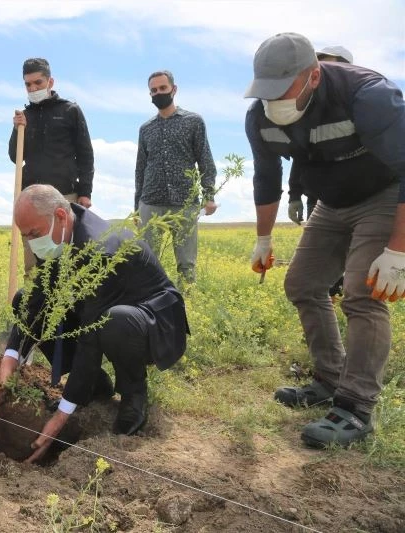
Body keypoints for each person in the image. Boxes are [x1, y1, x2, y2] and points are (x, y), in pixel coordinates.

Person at [245, 32, 405, 447]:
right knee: (302, 284)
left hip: (384, 195)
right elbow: (266, 177)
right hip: (331, 203)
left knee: (362, 292)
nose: (272, 100)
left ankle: (354, 407)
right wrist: (263, 240)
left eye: (283, 89)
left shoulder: (368, 96)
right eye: (265, 91)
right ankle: (328, 379)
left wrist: (397, 251)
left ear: (313, 77)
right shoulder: (259, 117)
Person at [0, 184, 189, 463]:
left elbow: (90, 333)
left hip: (153, 319)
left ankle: (134, 394)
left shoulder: (98, 249)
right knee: (24, 299)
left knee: (114, 322)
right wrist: (9, 361)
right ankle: (94, 385)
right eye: (25, 237)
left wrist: (61, 417)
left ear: (60, 216)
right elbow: (36, 301)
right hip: (103, 308)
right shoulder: (57, 233)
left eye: (34, 234)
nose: (32, 243)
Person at [8, 58, 95, 274]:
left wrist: (85, 193)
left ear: (50, 81)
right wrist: (17, 130)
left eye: (38, 82)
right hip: (32, 200)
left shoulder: (70, 110)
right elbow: (15, 156)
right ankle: (35, 307)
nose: (33, 88)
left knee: (68, 261)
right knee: (34, 267)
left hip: (65, 197)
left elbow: (85, 154)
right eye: (28, 84)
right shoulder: (24, 116)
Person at [134, 70, 218, 284]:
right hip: (150, 202)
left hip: (185, 202)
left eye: (163, 88)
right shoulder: (146, 129)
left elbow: (205, 160)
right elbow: (140, 168)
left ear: (174, 89)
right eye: (153, 90)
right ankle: (151, 302)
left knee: (186, 262)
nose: (158, 93)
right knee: (147, 260)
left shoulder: (193, 121)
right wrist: (137, 207)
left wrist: (209, 195)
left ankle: (185, 303)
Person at [287, 47, 354, 301]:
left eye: (328, 66)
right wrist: (294, 196)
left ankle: (347, 296)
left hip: (362, 200)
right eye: (319, 66)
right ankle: (330, 297)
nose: (320, 73)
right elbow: (299, 158)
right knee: (322, 260)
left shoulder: (361, 104)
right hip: (320, 200)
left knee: (354, 258)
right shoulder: (307, 111)